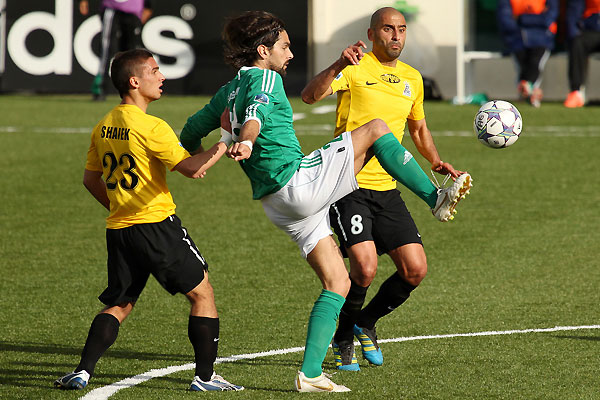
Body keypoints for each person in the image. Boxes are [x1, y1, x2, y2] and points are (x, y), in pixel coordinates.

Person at [179, 11, 472, 392]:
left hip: (275, 203)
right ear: (263, 50)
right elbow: (256, 114)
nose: (290, 54)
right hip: (298, 181)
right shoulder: (265, 77)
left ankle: (311, 373)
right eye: (284, 47)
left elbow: (188, 132)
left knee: (338, 280)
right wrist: (247, 139)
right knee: (377, 129)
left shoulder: (227, 89)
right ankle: (435, 198)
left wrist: (200, 158)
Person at [54, 49, 243, 392]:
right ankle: (204, 378)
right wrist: (226, 139)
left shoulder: (104, 125)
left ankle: (82, 371)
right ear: (134, 81)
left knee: (120, 304)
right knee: (203, 295)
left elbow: (90, 180)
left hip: (119, 230)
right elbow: (192, 168)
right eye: (155, 71)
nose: (162, 77)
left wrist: (119, 207)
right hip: (157, 227)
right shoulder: (151, 126)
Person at [301, 7, 470, 372]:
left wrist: (436, 161)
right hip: (348, 185)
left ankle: (366, 322)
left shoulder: (412, 78)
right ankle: (343, 335)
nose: (396, 36)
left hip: (387, 190)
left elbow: (419, 130)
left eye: (401, 29)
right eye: (388, 29)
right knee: (364, 267)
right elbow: (309, 96)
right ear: (373, 33)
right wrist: (336, 64)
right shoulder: (356, 66)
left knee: (415, 269)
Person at [79, 0, 153, 101]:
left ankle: (134, 90)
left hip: (133, 10)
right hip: (112, 8)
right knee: (107, 49)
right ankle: (100, 87)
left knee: (132, 55)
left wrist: (148, 6)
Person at [497, 0, 559, 107]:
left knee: (535, 62)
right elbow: (505, 19)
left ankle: (528, 90)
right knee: (522, 65)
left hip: (542, 39)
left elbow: (549, 17)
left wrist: (521, 18)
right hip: (516, 38)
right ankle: (530, 92)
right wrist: (534, 19)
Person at [564, 0, 600, 108]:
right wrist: (574, 32)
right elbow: (574, 11)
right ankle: (576, 92)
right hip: (592, 30)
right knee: (577, 42)